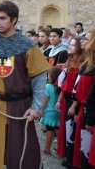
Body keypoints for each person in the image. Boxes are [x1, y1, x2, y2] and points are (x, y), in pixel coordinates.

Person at [0, 1, 48, 169]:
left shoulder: (27, 45)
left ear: (14, 20)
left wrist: (36, 107)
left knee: (21, 152)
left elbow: (40, 77)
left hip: (19, 106)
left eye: (3, 18)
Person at [55, 37, 85, 167]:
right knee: (66, 129)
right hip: (66, 99)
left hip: (74, 101)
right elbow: (64, 84)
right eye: (70, 44)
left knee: (71, 130)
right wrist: (59, 99)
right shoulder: (70, 61)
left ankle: (72, 160)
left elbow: (78, 88)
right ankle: (68, 156)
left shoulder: (81, 64)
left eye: (73, 45)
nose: (70, 46)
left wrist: (74, 105)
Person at [71, 30, 95, 168]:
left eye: (87, 39)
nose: (83, 41)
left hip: (89, 112)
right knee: (82, 147)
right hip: (83, 109)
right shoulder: (87, 63)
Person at [40, 66, 62, 155]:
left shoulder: (48, 86)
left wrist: (41, 110)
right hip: (58, 112)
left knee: (49, 130)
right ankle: (60, 149)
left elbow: (45, 101)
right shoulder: (60, 88)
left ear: (52, 76)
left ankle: (47, 149)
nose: (48, 76)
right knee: (57, 129)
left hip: (49, 112)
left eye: (49, 74)